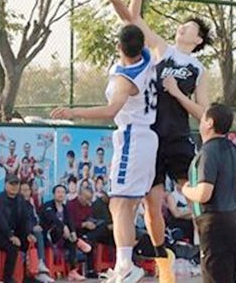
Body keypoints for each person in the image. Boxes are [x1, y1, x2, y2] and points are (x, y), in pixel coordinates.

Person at [99, 0, 211, 283]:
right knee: (152, 203)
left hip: (178, 137)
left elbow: (204, 113)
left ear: (198, 40)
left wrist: (177, 94)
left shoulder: (198, 69)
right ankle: (163, 261)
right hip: (151, 139)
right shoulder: (162, 49)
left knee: (192, 194)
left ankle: (207, 248)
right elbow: (132, 19)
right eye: (182, 24)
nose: (183, 27)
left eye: (190, 26)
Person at [51, 22, 159, 283]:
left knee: (119, 203)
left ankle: (125, 266)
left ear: (118, 46)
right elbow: (133, 20)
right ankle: (126, 264)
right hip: (146, 137)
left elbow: (111, 111)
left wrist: (74, 112)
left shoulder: (125, 79)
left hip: (132, 136)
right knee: (126, 205)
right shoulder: (147, 58)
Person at [182, 104, 236, 283]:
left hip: (213, 223)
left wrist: (186, 190)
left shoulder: (207, 152)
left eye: (203, 118)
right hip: (233, 220)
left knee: (214, 276)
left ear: (210, 123)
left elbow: (204, 194)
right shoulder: (235, 150)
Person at [0, 173, 29, 283]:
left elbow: (24, 218)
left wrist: (28, 233)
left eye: (16, 184)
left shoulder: (20, 199)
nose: (14, 187)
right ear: (5, 185)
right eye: (11, 184)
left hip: (10, 236)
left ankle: (8, 277)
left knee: (16, 246)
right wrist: (11, 235)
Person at [40, 184, 88, 281]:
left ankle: (72, 272)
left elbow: (70, 221)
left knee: (72, 241)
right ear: (54, 194)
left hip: (63, 237)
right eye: (58, 192)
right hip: (49, 236)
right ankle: (78, 242)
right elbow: (52, 218)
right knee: (59, 228)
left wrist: (73, 232)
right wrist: (63, 227)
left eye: (63, 192)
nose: (60, 194)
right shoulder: (47, 205)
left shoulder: (65, 208)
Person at [19, 180, 54, 283]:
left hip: (30, 233)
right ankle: (40, 263)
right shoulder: (17, 205)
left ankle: (40, 270)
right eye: (22, 190)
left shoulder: (29, 205)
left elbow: (33, 220)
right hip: (20, 234)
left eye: (27, 190)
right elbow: (20, 222)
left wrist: (35, 226)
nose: (25, 193)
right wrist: (30, 230)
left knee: (42, 233)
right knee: (38, 234)